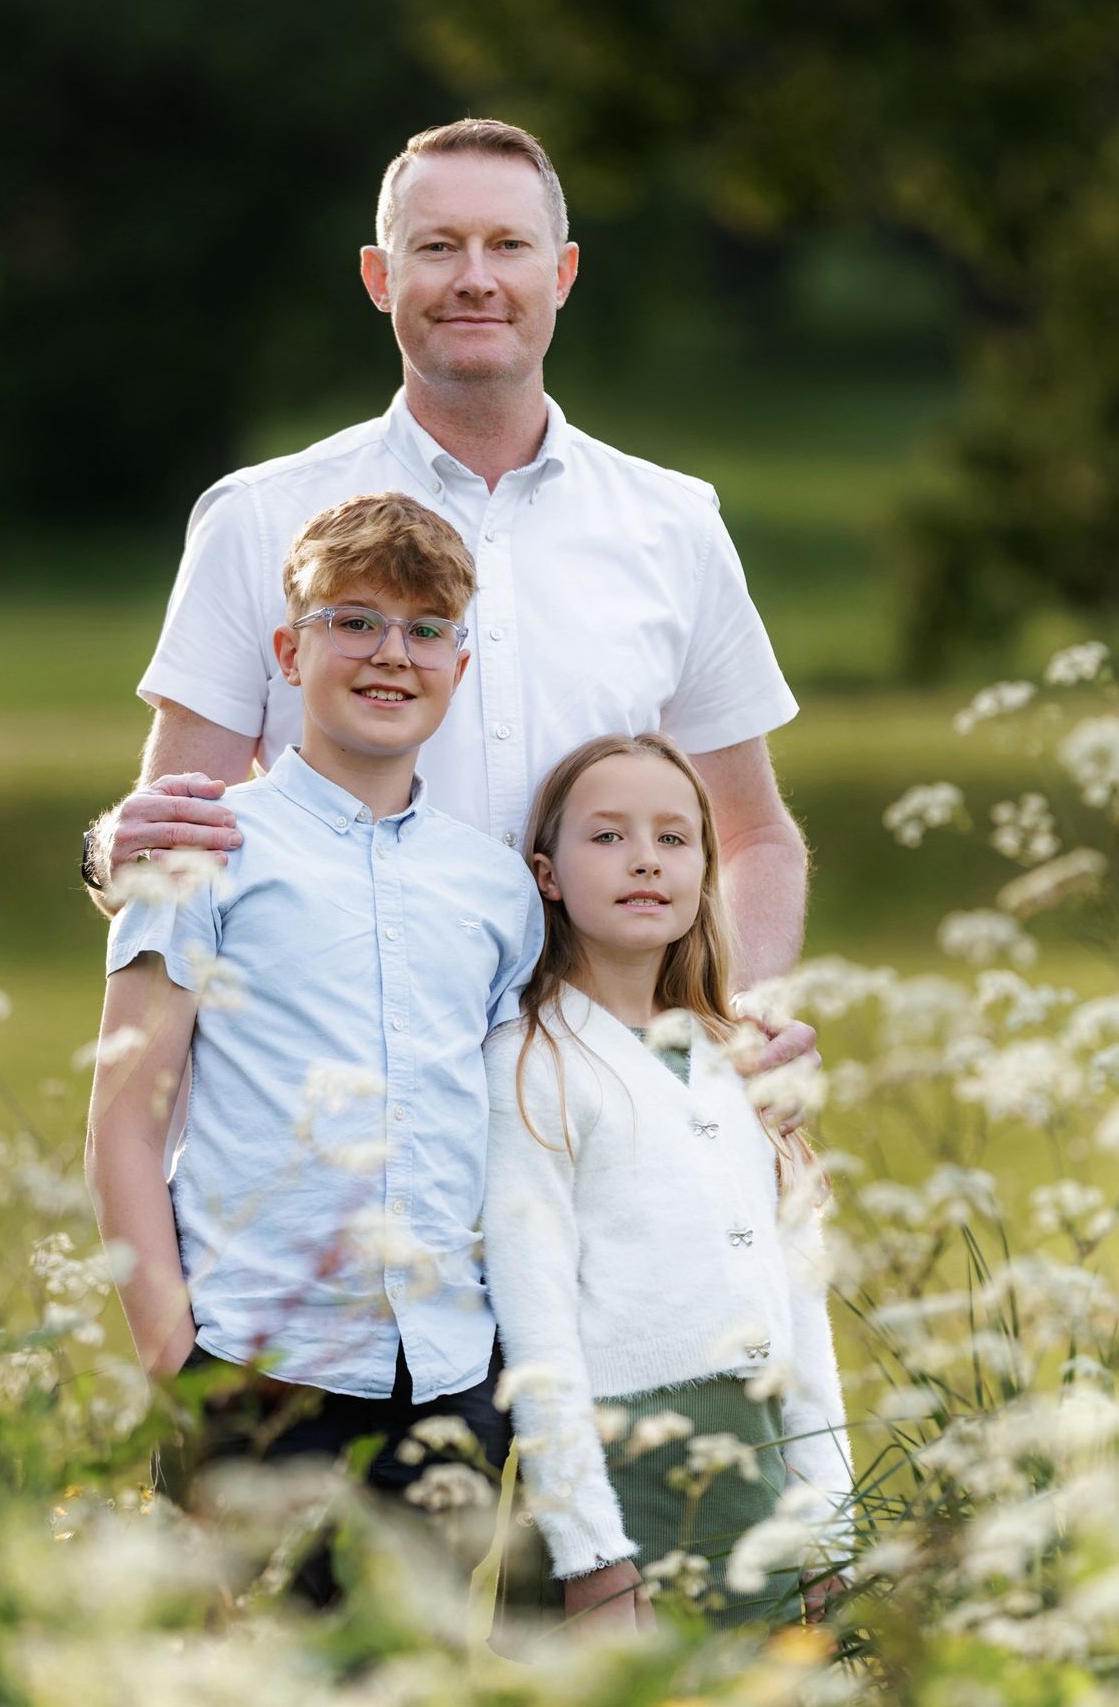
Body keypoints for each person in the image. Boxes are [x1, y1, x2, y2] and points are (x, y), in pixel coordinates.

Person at [82, 117, 814, 1073]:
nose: (477, 277)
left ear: (563, 273)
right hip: (345, 1091)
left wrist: (734, 1019)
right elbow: (178, 847)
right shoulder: (260, 518)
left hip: (611, 1087)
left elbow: (754, 835)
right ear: (380, 278)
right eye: (437, 247)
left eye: (509, 245)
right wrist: (109, 851)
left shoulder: (672, 522)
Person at [84, 493, 542, 1589]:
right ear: (290, 652)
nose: (392, 654)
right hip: (255, 1361)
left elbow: (509, 1127)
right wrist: (170, 1352)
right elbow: (122, 1125)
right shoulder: (206, 848)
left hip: (447, 1372)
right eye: (356, 622)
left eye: (425, 630)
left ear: (459, 667)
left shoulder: (493, 887)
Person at [480, 732, 852, 1635]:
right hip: (617, 1485)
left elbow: (800, 1307)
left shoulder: (739, 1061)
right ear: (547, 874)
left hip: (760, 1474)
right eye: (607, 837)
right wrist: (590, 1552)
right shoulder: (530, 1063)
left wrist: (831, 1520)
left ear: (706, 872)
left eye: (674, 838)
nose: (645, 858)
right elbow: (535, 1324)